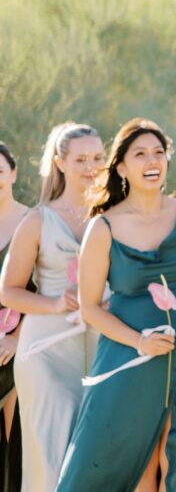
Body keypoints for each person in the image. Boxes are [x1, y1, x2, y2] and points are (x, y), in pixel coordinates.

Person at [56, 118, 176, 492]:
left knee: (174, 458)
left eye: (159, 153)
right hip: (130, 359)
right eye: (140, 154)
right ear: (121, 167)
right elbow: (90, 308)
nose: (153, 161)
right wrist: (139, 342)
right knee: (134, 460)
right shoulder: (103, 228)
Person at [0, 123, 105, 491]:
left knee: (95, 455)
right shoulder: (37, 220)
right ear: (60, 162)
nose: (91, 166)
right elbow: (9, 292)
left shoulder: (115, 217)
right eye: (80, 159)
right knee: (50, 453)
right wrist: (55, 301)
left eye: (97, 157)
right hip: (45, 351)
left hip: (103, 346)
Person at [0, 142, 29, 491]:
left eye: (0, 172)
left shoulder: (32, 221)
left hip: (24, 345)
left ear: (14, 174)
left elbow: (42, 289)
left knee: (19, 439)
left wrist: (17, 338)